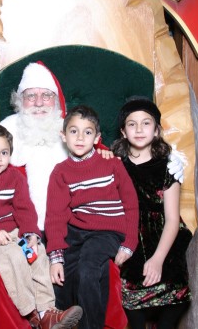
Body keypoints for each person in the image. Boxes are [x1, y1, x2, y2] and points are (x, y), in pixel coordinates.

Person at [0, 61, 185, 329]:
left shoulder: (86, 143)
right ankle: (46, 317)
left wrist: (170, 158)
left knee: (82, 265)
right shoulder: (7, 135)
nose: (39, 102)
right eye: (31, 95)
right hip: (28, 231)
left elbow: (119, 164)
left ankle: (57, 316)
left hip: (61, 229)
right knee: (47, 266)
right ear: (19, 100)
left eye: (46, 95)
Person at [0, 123, 83, 329]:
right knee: (14, 256)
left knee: (37, 251)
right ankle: (31, 312)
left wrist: (31, 233)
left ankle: (47, 311)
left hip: (12, 231)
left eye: (3, 153)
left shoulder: (15, 177)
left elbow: (24, 209)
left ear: (10, 155)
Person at [45, 105, 139, 329]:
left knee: (88, 268)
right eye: (73, 131)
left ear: (97, 138)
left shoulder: (112, 163)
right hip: (78, 229)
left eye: (87, 132)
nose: (79, 137)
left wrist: (129, 244)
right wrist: (56, 256)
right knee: (63, 273)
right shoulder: (60, 171)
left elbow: (131, 204)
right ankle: (62, 319)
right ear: (63, 135)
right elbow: (55, 215)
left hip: (108, 230)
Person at [111, 96, 192, 329]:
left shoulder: (169, 166)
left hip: (165, 231)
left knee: (176, 291)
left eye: (146, 123)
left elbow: (173, 219)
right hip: (129, 232)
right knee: (130, 291)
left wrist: (158, 259)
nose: (138, 129)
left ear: (156, 130)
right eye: (131, 124)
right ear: (123, 132)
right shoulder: (115, 163)